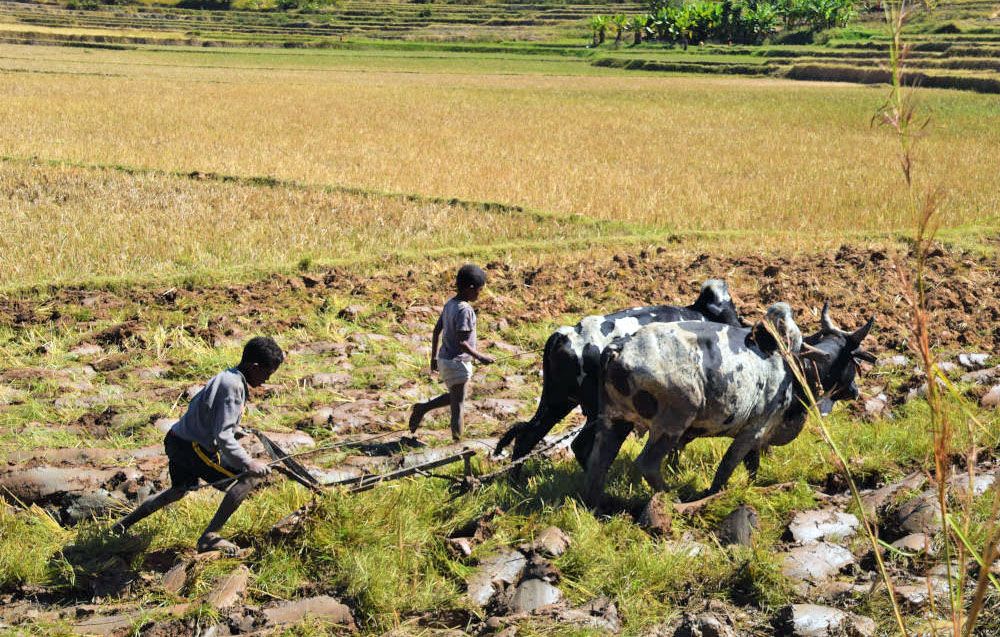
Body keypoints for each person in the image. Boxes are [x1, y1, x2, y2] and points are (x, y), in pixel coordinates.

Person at [111, 336, 284, 554]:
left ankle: (121, 526)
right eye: (267, 373)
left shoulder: (227, 376)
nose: (267, 379)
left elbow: (202, 408)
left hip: (178, 438)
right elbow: (223, 436)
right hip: (191, 447)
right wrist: (248, 462)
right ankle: (210, 536)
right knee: (246, 479)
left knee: (178, 490)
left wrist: (235, 430)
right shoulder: (234, 387)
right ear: (254, 366)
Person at [409, 264, 494, 441]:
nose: (480, 294)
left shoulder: (450, 304)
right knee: (459, 406)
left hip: (445, 360)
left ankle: (422, 408)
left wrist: (434, 358)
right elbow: (462, 343)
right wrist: (481, 357)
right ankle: (458, 443)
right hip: (458, 362)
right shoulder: (465, 310)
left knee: (456, 396)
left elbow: (436, 330)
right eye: (479, 290)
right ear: (470, 289)